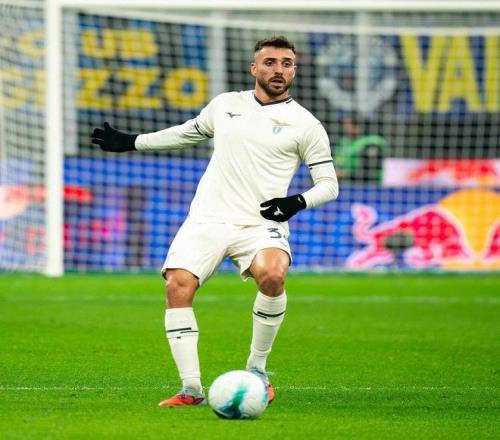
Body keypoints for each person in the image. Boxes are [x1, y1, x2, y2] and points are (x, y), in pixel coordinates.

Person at [91, 35, 339, 407]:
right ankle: (190, 389)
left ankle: (257, 370)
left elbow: (329, 185)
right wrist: (133, 141)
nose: (279, 70)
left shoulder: (306, 124)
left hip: (260, 222)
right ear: (254, 68)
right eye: (270, 62)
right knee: (177, 285)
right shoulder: (226, 105)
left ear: (294, 70)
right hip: (208, 217)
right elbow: (186, 133)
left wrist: (296, 202)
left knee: (273, 275)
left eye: (286, 63)